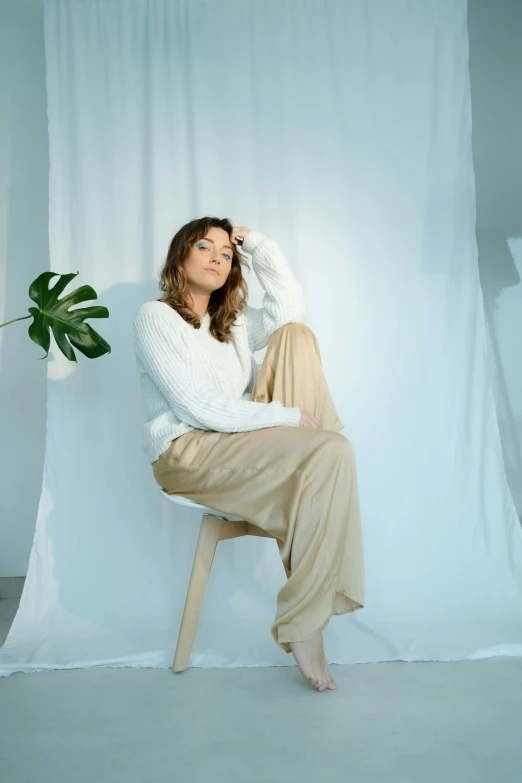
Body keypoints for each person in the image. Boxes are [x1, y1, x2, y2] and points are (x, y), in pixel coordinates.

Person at [132, 217, 365, 692]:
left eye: (226, 252)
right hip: (187, 452)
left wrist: (257, 245)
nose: (218, 257)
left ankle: (305, 619)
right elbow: (193, 406)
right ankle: (306, 621)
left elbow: (289, 310)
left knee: (297, 340)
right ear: (181, 255)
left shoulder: (231, 324)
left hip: (235, 444)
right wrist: (284, 417)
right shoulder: (155, 317)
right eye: (205, 246)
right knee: (326, 457)